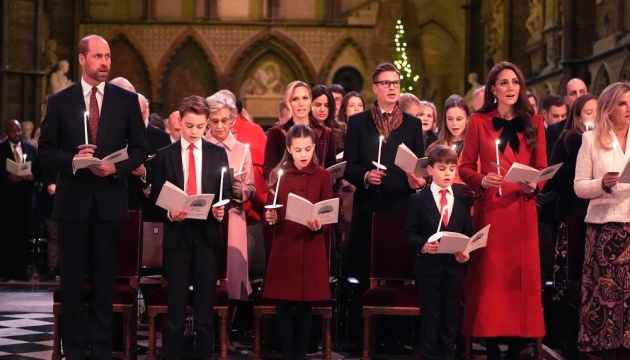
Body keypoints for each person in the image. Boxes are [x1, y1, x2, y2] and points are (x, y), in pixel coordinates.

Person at [38, 34, 148, 360]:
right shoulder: (60, 101)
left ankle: (101, 352)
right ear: (83, 59)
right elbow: (45, 152)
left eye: (108, 56)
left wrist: (117, 169)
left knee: (103, 287)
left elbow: (141, 149)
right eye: (98, 56)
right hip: (73, 205)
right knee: (72, 287)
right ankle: (73, 352)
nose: (105, 63)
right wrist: (74, 159)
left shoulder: (126, 101)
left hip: (110, 204)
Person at [458, 61, 546, 360]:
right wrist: (482, 179)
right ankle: (493, 349)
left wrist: (535, 185)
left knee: (519, 282)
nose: (511, 88)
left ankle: (518, 350)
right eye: (504, 83)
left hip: (521, 212)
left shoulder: (536, 122)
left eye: (515, 82)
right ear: (493, 89)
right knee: (491, 284)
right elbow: (465, 166)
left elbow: (542, 167)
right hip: (492, 211)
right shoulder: (479, 122)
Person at [343, 63, 425, 342]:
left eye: (396, 83)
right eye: (386, 83)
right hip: (369, 209)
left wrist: (418, 179)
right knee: (363, 273)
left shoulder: (412, 124)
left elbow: (420, 165)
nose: (392, 88)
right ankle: (360, 338)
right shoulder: (358, 122)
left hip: (400, 208)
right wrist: (365, 175)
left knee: (396, 273)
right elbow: (349, 166)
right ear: (375, 88)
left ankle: (395, 338)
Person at [150, 95, 232, 360]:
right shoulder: (165, 155)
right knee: (175, 307)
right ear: (179, 122)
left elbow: (226, 191)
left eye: (199, 126)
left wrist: (221, 208)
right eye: (188, 126)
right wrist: (170, 213)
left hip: (207, 237)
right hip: (177, 237)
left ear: (207, 124)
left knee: (205, 310)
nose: (194, 132)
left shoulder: (217, 153)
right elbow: (155, 197)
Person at [263, 124, 333, 360]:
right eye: (298, 150)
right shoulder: (279, 175)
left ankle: (300, 355)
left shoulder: (322, 175)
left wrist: (320, 223)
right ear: (289, 149)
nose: (303, 155)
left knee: (306, 306)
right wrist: (271, 218)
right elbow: (272, 212)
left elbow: (328, 211)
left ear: (313, 147)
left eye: (307, 149)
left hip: (311, 247)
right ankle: (286, 355)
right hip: (285, 246)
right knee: (282, 306)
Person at [574, 82, 630, 359]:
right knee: (606, 300)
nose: (628, 109)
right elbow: (580, 187)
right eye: (622, 103)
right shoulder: (591, 140)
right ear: (608, 109)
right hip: (606, 230)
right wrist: (603, 184)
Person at [404, 145, 473, 360]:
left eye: (451, 169)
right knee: (431, 315)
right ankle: (427, 354)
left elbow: (468, 234)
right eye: (442, 169)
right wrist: (424, 245)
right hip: (429, 269)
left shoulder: (462, 200)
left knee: (451, 316)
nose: (447, 174)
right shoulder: (418, 200)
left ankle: (448, 354)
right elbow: (409, 233)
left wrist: (467, 253)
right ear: (430, 170)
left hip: (453, 268)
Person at [204, 92, 255, 349]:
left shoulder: (242, 150)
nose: (221, 126)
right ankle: (207, 333)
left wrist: (240, 190)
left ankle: (225, 334)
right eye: (215, 121)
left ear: (233, 119)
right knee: (209, 277)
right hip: (206, 219)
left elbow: (251, 189)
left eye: (225, 120)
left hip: (233, 219)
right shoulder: (201, 146)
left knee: (233, 280)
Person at [264, 81, 336, 180]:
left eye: (305, 98)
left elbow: (332, 171)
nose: (301, 104)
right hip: (287, 190)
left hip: (317, 192)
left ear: (310, 101)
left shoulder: (326, 133)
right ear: (288, 102)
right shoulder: (276, 134)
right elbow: (268, 170)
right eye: (295, 99)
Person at [0, 119, 39, 281]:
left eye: (19, 130)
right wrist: (8, 179)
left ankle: (21, 271)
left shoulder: (30, 149)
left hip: (25, 199)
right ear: (7, 132)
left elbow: (39, 169)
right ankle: (5, 272)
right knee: (6, 238)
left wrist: (33, 176)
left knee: (23, 237)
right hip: (6, 201)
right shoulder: (1, 150)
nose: (18, 133)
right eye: (14, 131)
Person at [426, 94, 471, 185]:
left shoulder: (477, 147)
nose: (454, 124)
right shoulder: (434, 148)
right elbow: (428, 181)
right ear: (445, 120)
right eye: (450, 119)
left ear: (467, 120)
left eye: (459, 119)